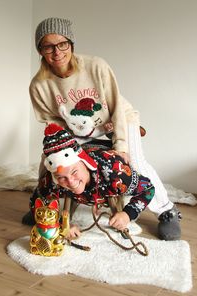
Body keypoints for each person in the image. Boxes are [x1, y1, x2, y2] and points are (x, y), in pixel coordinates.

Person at [26, 17, 181, 240]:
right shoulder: (39, 85)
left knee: (135, 163)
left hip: (118, 119)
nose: (57, 52)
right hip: (79, 130)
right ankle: (43, 208)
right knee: (49, 162)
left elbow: (116, 105)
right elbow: (53, 122)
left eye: (62, 44)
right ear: (40, 50)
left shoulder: (95, 66)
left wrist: (121, 145)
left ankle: (167, 211)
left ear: (71, 44)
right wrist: (66, 147)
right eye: (48, 46)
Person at [30, 123, 155, 239]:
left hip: (104, 154)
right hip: (83, 146)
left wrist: (128, 214)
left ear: (86, 164)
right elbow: (37, 200)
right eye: (61, 177)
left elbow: (148, 188)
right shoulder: (52, 180)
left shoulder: (116, 173)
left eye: (74, 172)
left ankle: (116, 133)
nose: (71, 182)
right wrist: (60, 224)